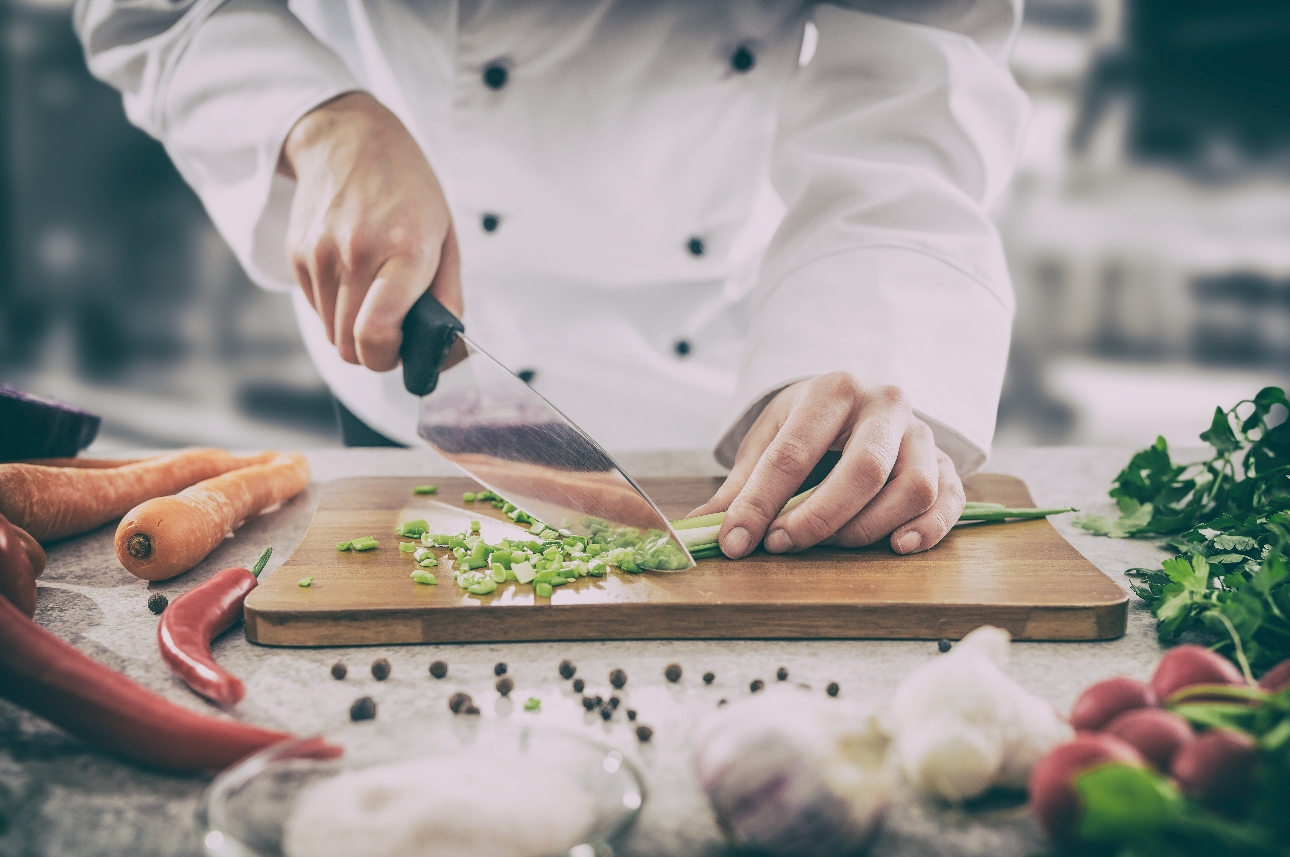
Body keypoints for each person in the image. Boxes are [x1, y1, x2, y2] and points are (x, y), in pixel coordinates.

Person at [74, 0, 1028, 560]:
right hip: (422, 354)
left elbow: (925, 56)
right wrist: (316, 120)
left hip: (754, 387)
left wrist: (867, 345)